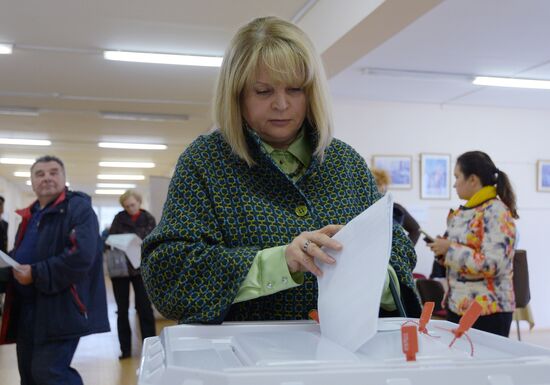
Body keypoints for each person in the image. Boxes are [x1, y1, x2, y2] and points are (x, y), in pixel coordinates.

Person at [141, 16, 420, 324]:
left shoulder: (346, 163)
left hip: (341, 361)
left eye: (296, 89)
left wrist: (364, 267)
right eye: (263, 91)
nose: (282, 104)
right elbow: (168, 274)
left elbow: (399, 253)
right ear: (237, 94)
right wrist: (281, 262)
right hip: (241, 362)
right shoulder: (206, 162)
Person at [0, 155, 110, 385]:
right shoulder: (30, 215)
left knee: (49, 373)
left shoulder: (77, 208)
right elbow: (22, 255)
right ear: (32, 181)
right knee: (29, 374)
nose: (47, 178)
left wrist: (37, 273)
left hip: (61, 307)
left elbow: (81, 256)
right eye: (39, 174)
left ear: (64, 178)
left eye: (53, 172)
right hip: (28, 309)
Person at [428, 151, 517, 337]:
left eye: (457, 177)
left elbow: (492, 264)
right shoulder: (465, 211)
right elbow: (463, 258)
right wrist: (442, 251)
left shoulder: (496, 212)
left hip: (488, 311)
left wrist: (450, 249)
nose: (454, 184)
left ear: (473, 180)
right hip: (459, 305)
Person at [108, 190, 156, 359]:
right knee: (122, 310)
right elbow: (110, 239)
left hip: (141, 269)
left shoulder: (148, 218)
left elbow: (152, 240)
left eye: (132, 205)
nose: (130, 209)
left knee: (144, 308)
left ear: (139, 202)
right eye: (127, 206)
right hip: (121, 270)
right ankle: (125, 350)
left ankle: (150, 348)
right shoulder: (118, 218)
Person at [371, 168, 421, 245]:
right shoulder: (361, 209)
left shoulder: (396, 209)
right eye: (378, 185)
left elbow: (416, 230)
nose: (382, 190)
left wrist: (405, 250)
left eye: (383, 186)